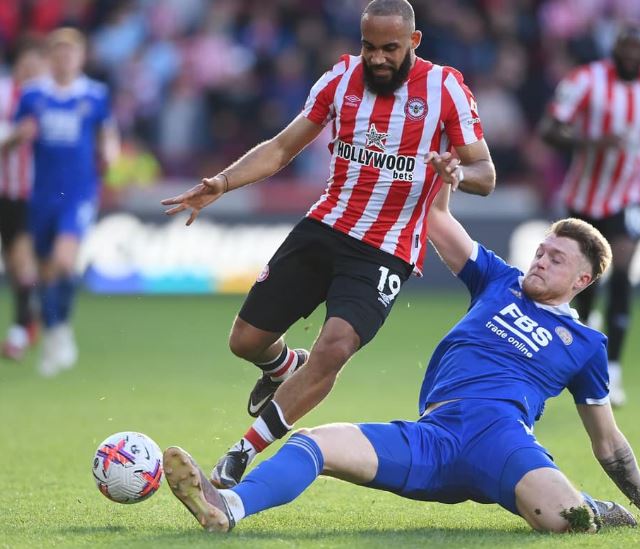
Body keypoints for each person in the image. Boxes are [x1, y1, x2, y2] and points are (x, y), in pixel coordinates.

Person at [162, 183, 640, 534]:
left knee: (567, 519)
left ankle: (598, 508)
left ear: (583, 280)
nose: (539, 261)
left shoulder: (586, 345)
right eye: (540, 250)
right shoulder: (499, 281)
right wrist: (440, 176)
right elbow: (438, 221)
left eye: (555, 259)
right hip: (435, 436)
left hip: (502, 441)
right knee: (314, 442)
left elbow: (608, 442)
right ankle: (227, 508)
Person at [161, 0, 495, 489]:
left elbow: (486, 175)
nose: (377, 58)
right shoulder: (339, 80)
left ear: (414, 43)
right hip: (326, 227)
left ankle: (243, 451)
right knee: (245, 341)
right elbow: (280, 148)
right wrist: (223, 182)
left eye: (389, 49)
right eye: (368, 47)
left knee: (334, 347)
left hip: (387, 248)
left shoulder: (445, 89)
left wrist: (458, 173)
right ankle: (281, 366)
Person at [539, 24, 640, 407]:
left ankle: (613, 370)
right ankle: (586, 333)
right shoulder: (586, 81)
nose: (632, 57)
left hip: (630, 195)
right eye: (626, 50)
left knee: (624, 268)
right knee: (585, 280)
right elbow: (549, 130)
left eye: (639, 51)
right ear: (614, 50)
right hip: (584, 195)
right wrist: (592, 142)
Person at [7, 28, 119, 376]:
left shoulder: (95, 95)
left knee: (64, 260)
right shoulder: (33, 95)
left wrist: (111, 153)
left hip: (79, 192)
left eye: (71, 53)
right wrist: (16, 137)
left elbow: (108, 133)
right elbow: (12, 139)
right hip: (41, 193)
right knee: (43, 270)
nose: (64, 59)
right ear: (51, 58)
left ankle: (61, 330)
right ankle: (54, 330)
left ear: (81, 57)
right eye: (58, 53)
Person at [0, 43, 45, 360]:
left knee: (20, 261)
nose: (30, 70)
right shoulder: (4, 94)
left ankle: (19, 330)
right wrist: (15, 136)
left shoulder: (47, 99)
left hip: (27, 193)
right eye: (26, 63)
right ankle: (28, 319)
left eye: (36, 64)